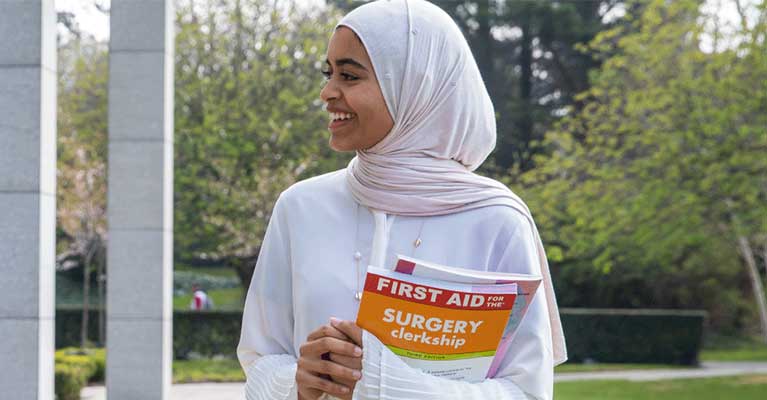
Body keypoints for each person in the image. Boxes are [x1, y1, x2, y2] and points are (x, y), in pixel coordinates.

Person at [236, 1, 567, 399]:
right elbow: (259, 359)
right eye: (329, 73)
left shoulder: (495, 219)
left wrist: (387, 383)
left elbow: (526, 392)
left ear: (415, 85)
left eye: (350, 76)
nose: (327, 92)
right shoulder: (300, 207)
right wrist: (297, 382)